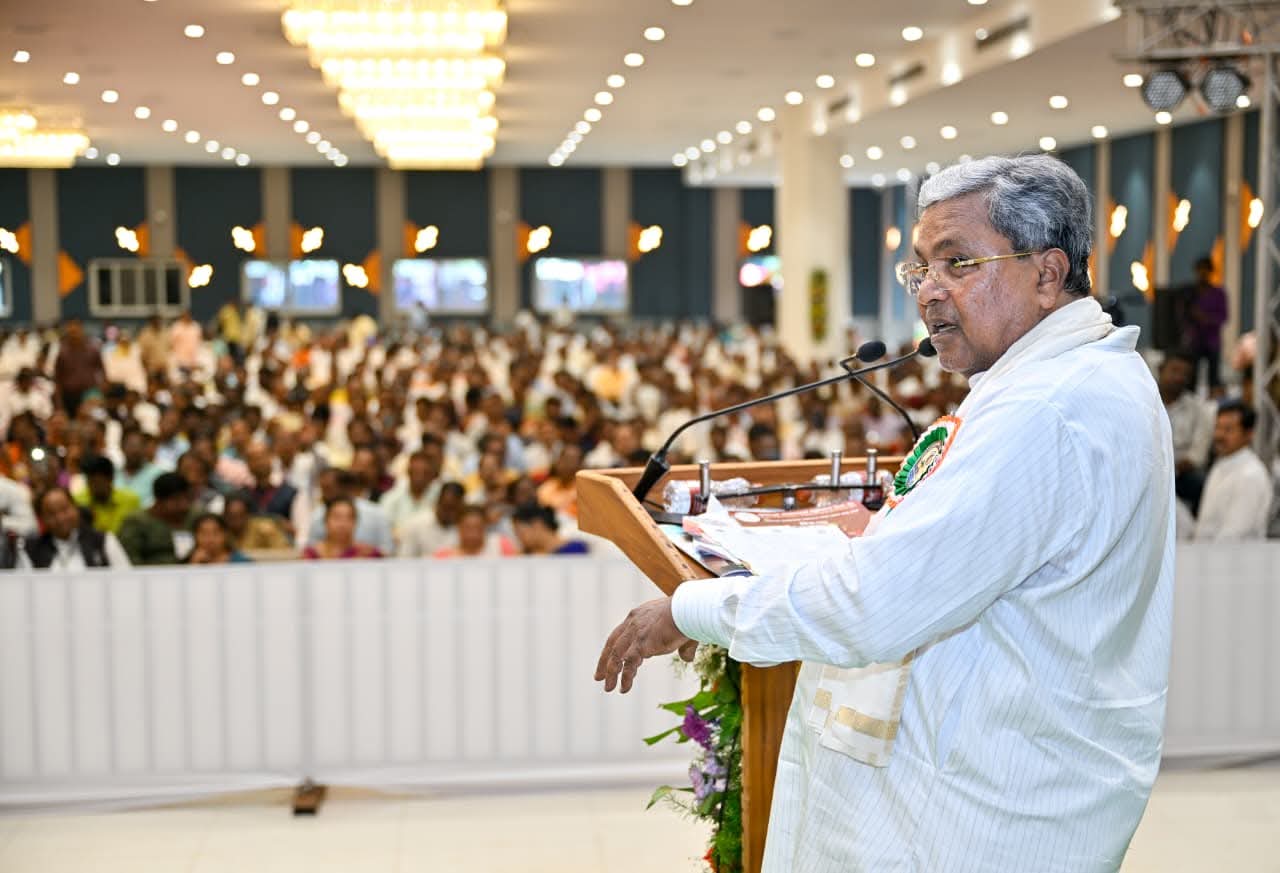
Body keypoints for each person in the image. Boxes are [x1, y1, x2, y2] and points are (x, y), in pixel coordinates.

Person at [595, 155, 1176, 872]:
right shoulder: (1076, 376)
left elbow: (875, 603)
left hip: (977, 816)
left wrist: (693, 610)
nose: (929, 290)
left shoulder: (1045, 408)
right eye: (921, 268)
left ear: (1047, 273)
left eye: (958, 263)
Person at [1194, 401, 1274, 540]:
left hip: (1235, 553)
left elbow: (1233, 535)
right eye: (1218, 427)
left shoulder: (1250, 475)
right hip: (1206, 550)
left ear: (1248, 434)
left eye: (1228, 430)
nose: (1219, 435)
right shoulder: (1220, 465)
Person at [13, 486, 131, 569]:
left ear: (76, 508)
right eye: (51, 514)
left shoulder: (103, 541)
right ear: (42, 519)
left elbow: (125, 579)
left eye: (64, 509)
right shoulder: (30, 550)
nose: (60, 518)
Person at [1158, 353, 1214, 514]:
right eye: (1174, 370)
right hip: (1146, 468)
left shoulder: (1198, 408)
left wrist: (1170, 469)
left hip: (1181, 474)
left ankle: (1196, 526)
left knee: (1202, 483)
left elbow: (1198, 455)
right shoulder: (1144, 400)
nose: (1179, 378)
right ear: (1161, 370)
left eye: (1185, 374)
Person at [117, 472, 194, 565]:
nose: (183, 505)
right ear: (159, 501)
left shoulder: (193, 517)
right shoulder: (136, 522)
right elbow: (129, 560)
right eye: (176, 500)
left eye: (187, 498)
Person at [1184, 256, 1228, 391]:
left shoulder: (1218, 293)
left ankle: (1213, 399)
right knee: (1191, 376)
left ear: (1210, 272)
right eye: (1200, 270)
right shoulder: (1190, 293)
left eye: (1205, 270)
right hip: (1194, 340)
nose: (1202, 274)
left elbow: (1224, 316)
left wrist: (1206, 318)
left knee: (1213, 377)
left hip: (1212, 341)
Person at [73, 455, 141, 535]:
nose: (93, 487)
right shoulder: (78, 501)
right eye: (90, 482)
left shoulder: (130, 501)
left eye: (97, 482)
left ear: (110, 478)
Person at [301, 496, 383, 559]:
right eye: (337, 517)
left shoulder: (367, 555)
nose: (343, 524)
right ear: (325, 520)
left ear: (355, 522)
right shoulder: (310, 555)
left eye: (349, 518)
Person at [398, 481, 465, 558]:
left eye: (454, 508)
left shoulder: (466, 527)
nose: (450, 513)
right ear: (437, 503)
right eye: (446, 507)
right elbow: (405, 558)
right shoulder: (416, 524)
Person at [53, 320, 105, 415]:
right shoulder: (62, 353)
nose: (74, 335)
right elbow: (58, 378)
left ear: (81, 331)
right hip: (69, 395)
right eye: (72, 332)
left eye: (76, 332)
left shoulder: (92, 350)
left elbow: (102, 371)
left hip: (90, 394)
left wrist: (100, 393)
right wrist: (59, 404)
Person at [432, 505, 517, 558]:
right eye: (468, 528)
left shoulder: (501, 545)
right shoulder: (445, 555)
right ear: (458, 527)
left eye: (478, 527)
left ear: (485, 527)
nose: (473, 533)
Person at [510, 502, 589, 555]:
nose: (519, 538)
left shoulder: (575, 549)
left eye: (520, 532)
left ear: (537, 525)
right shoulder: (527, 554)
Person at [115, 426, 164, 508]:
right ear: (121, 446)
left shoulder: (158, 474)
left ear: (145, 448)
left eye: (139, 445)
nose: (135, 450)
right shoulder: (113, 473)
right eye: (131, 445)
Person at [185, 513, 251, 564]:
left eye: (216, 533)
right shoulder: (187, 562)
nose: (210, 539)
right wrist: (193, 565)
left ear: (225, 534)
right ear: (195, 536)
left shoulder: (241, 562)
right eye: (204, 534)